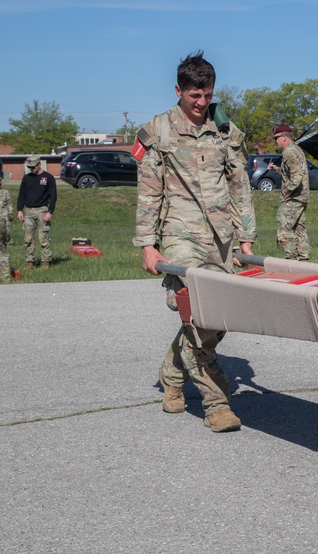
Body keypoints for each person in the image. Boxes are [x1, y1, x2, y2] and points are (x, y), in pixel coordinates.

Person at [132, 50, 257, 433]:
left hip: (221, 237)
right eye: (194, 96)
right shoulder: (159, 131)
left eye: (207, 95)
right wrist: (148, 245)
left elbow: (240, 186)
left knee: (220, 316)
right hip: (179, 234)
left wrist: (247, 239)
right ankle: (217, 403)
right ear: (179, 91)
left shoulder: (225, 131)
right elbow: (149, 191)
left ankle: (172, 374)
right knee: (195, 310)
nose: (202, 104)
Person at [270, 124, 310, 260]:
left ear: (284, 138)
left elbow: (297, 176)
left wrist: (288, 191)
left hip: (294, 198)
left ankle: (291, 258)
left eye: (276, 138)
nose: (275, 141)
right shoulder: (297, 150)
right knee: (299, 229)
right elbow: (289, 173)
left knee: (284, 227)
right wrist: (276, 169)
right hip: (302, 197)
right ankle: (304, 259)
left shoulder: (289, 152)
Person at [16, 156, 57, 270]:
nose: (31, 169)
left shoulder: (48, 178)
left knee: (43, 237)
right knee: (28, 238)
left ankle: (45, 261)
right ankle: (30, 262)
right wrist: (19, 209)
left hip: (42, 210)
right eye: (29, 167)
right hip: (28, 210)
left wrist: (50, 211)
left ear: (39, 164)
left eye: (33, 167)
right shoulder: (26, 178)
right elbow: (22, 194)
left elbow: (53, 196)